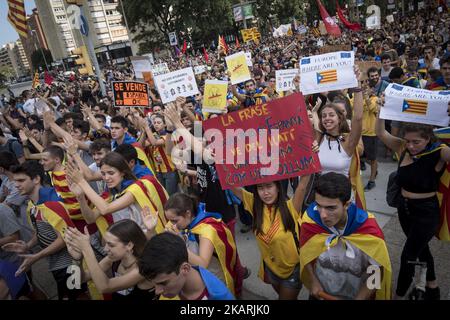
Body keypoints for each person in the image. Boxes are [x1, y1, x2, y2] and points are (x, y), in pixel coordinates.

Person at [376, 115, 450, 300]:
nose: (410, 146)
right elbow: (380, 132)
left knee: (407, 254)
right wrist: (380, 113)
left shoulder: (439, 151)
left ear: (428, 138)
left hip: (426, 212)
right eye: (408, 140)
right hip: (404, 209)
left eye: (416, 142)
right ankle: (432, 286)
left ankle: (399, 294)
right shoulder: (402, 147)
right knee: (421, 248)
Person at [300, 172, 392, 300]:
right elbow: (305, 253)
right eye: (319, 206)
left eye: (330, 208)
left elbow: (376, 271)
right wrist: (313, 280)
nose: (323, 215)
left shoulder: (369, 231)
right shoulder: (310, 221)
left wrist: (361, 297)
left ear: (347, 204)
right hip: (320, 293)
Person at [3, 161, 86, 300]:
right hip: (56, 264)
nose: (16, 185)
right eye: (15, 180)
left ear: (36, 179)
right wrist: (27, 246)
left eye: (21, 180)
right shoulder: (32, 204)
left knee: (77, 295)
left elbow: (65, 238)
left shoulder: (52, 203)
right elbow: (39, 231)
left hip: (71, 262)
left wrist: (37, 256)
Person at [230, 169, 314, 300]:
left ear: (278, 188)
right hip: (270, 269)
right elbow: (231, 185)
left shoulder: (291, 207)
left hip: (292, 271)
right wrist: (218, 162)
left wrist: (310, 154)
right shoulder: (254, 205)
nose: (265, 193)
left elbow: (303, 184)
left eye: (269, 186)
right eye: (260, 188)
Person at [66, 152, 167, 235]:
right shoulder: (110, 194)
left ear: (122, 172)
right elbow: (90, 218)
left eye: (111, 173)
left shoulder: (135, 188)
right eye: (103, 174)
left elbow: (105, 209)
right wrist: (80, 197)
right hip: (127, 243)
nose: (106, 178)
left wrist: (82, 182)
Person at [163, 193, 240, 296]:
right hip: (196, 277)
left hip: (213, 279)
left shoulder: (206, 230)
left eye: (174, 221)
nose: (171, 224)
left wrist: (180, 244)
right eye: (169, 220)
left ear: (188, 213)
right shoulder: (184, 222)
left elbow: (203, 264)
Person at [64, 219, 158, 300]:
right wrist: (77, 260)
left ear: (129, 245)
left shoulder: (142, 268)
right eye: (106, 243)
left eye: (111, 245)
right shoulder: (113, 259)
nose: (105, 249)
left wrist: (87, 249)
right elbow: (81, 279)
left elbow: (104, 287)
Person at [316, 66, 366, 210]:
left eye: (331, 115)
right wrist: (297, 88)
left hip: (343, 203)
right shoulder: (319, 138)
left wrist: (357, 86)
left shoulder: (348, 142)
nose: (327, 118)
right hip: (321, 201)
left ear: (340, 118)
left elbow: (358, 118)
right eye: (324, 115)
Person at [138, 232, 235, 300]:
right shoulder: (176, 282)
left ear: (185, 269)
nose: (157, 292)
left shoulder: (218, 297)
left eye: (163, 283)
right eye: (154, 284)